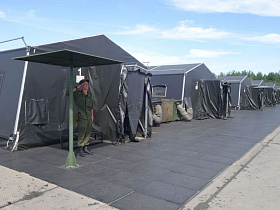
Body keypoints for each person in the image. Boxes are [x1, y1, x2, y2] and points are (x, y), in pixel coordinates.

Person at [73, 79, 94, 157]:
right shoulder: (78, 95)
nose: (86, 85)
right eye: (85, 84)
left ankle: (85, 146)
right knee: (82, 132)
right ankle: (80, 147)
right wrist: (77, 87)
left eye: (87, 84)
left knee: (88, 132)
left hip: (88, 116)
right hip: (82, 117)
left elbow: (91, 107)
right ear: (81, 85)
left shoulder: (90, 95)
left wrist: (92, 115)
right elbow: (68, 93)